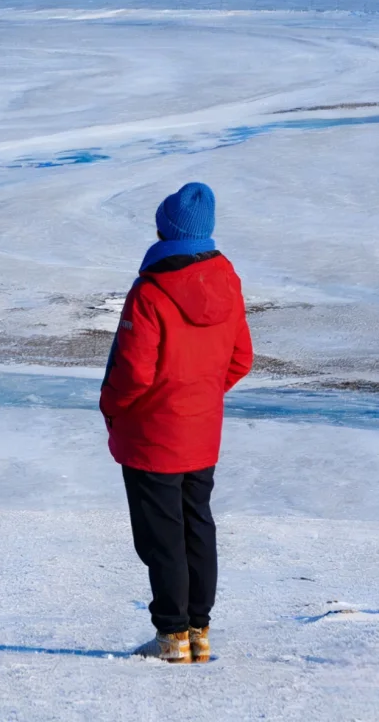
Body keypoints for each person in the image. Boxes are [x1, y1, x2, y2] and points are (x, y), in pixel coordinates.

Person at [100, 181, 253, 663]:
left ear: (166, 229)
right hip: (201, 431)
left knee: (162, 537)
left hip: (152, 436)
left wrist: (112, 406)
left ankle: (172, 638)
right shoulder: (227, 279)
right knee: (196, 527)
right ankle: (198, 633)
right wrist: (199, 395)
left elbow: (133, 372)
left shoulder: (150, 289)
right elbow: (240, 358)